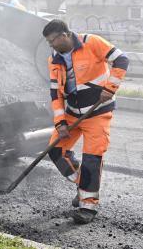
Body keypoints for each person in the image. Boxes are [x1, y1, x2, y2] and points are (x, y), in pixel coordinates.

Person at [42, 19, 129, 224]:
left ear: (64, 35)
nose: (51, 45)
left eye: (52, 40)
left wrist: (110, 88)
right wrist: (60, 123)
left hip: (98, 112)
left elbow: (122, 60)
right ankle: (84, 185)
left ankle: (87, 207)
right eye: (48, 42)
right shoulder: (54, 59)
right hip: (72, 113)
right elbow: (56, 94)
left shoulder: (92, 42)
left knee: (91, 158)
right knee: (55, 151)